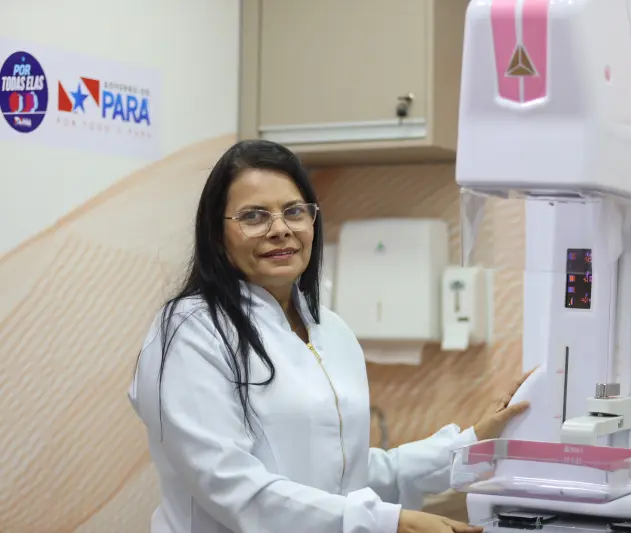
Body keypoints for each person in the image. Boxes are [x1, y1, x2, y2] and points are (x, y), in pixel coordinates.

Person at [128, 139, 534, 533]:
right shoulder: (190, 330)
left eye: (294, 211)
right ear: (217, 235)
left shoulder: (331, 330)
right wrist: (385, 522)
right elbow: (233, 488)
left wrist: (472, 443)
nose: (279, 229)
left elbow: (345, 474)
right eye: (253, 216)